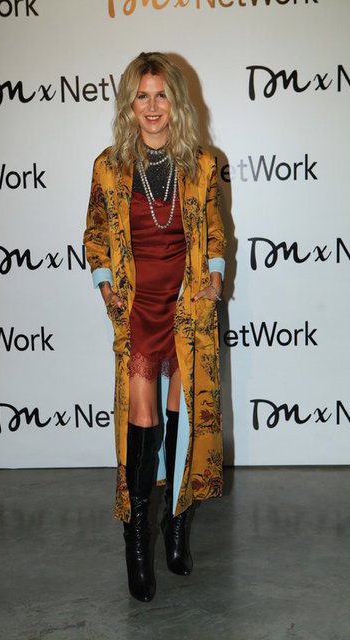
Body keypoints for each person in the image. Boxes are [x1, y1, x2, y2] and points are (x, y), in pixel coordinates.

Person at [84, 52, 226, 603]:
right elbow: (96, 233)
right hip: (139, 307)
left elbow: (214, 229)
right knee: (141, 424)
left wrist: (215, 279)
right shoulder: (108, 166)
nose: (151, 106)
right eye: (141, 96)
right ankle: (137, 541)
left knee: (181, 422)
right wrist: (105, 286)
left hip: (186, 308)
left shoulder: (203, 164)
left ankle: (177, 525)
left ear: (176, 102)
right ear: (129, 103)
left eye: (161, 94)